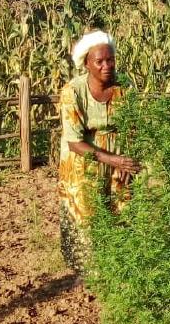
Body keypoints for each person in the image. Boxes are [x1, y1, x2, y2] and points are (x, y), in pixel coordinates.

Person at [58, 30, 140, 268]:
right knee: (88, 214)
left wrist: (127, 160)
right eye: (99, 61)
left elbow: (132, 125)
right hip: (84, 159)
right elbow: (74, 142)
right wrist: (114, 160)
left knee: (122, 208)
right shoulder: (73, 91)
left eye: (110, 59)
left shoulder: (124, 85)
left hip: (118, 155)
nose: (106, 66)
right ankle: (89, 271)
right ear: (86, 64)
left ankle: (119, 265)